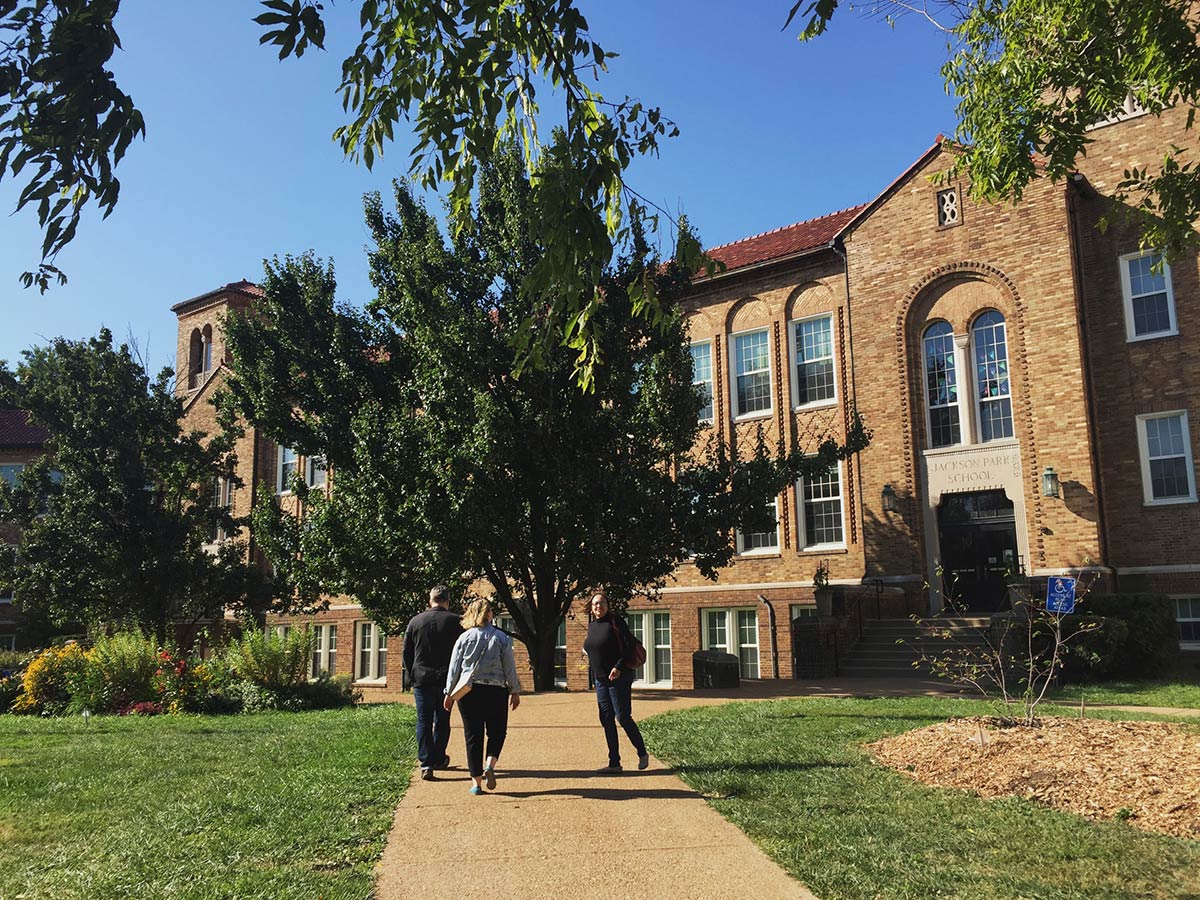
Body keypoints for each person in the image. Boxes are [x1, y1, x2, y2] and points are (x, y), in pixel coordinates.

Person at [443, 599, 522, 795]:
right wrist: (515, 690)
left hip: (469, 693)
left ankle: (476, 783)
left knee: (473, 736)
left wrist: (449, 694)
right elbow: (509, 667)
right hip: (496, 691)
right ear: (489, 614)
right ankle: (490, 764)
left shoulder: (464, 638)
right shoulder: (502, 638)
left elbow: (454, 668)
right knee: (497, 732)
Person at [582, 590, 649, 774]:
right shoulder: (592, 625)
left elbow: (628, 647)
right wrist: (594, 678)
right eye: (596, 603)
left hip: (619, 677)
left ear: (608, 606)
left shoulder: (616, 622)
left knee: (623, 717)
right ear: (591, 607)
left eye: (602, 603)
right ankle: (614, 763)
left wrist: (618, 667)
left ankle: (642, 753)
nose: (599, 606)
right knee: (606, 719)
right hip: (601, 680)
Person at [403, 585, 463, 781]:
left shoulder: (415, 621)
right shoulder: (456, 622)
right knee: (443, 720)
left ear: (430, 600)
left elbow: (407, 652)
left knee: (424, 720)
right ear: (447, 601)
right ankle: (438, 757)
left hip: (422, 678)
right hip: (447, 680)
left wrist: (411, 674)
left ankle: (426, 763)